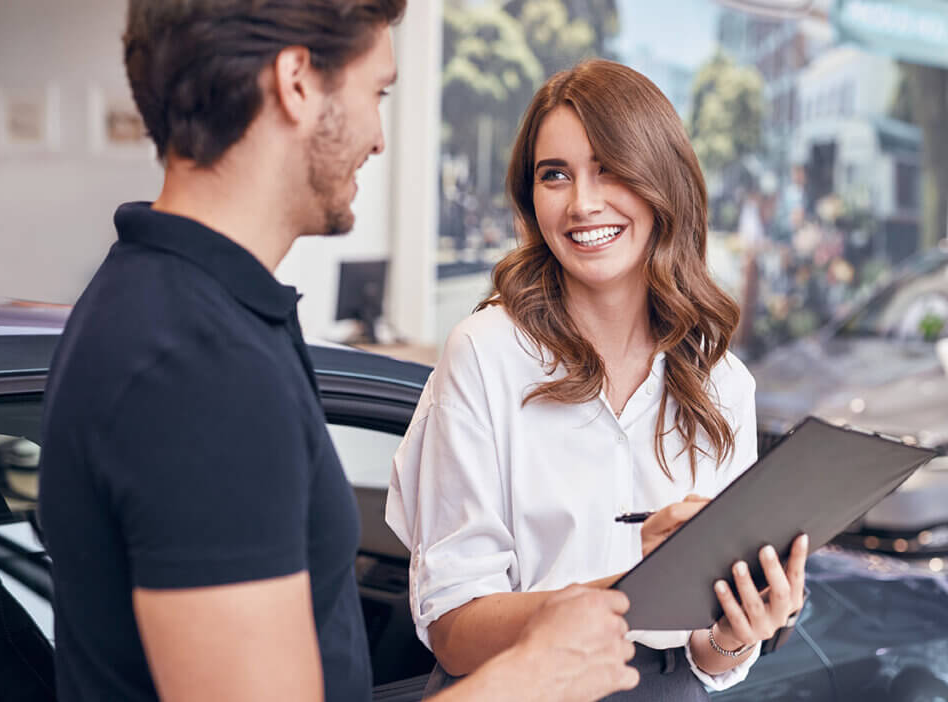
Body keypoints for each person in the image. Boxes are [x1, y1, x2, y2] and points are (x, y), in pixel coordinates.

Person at [37, 5, 640, 702]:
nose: (380, 138)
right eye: (376, 92)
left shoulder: (183, 308)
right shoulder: (197, 364)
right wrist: (532, 678)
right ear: (297, 82)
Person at [386, 59, 808, 701]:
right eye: (555, 175)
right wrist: (626, 586)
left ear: (662, 181)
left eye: (609, 168)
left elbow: (709, 659)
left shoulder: (723, 383)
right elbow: (453, 628)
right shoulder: (486, 354)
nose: (582, 203)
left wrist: (737, 629)